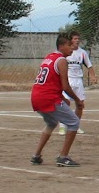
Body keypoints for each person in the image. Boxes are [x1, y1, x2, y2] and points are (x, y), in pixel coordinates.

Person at [31, 32, 83, 167]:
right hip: (48, 97)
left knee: (51, 123)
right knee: (74, 122)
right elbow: (65, 86)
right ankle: (63, 157)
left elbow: (51, 80)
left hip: (37, 96)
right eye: (69, 45)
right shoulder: (62, 61)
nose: (72, 48)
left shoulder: (49, 57)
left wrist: (61, 98)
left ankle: (36, 156)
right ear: (61, 47)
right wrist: (77, 100)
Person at [66, 31, 95, 122]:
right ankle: (63, 125)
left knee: (80, 104)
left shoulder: (82, 52)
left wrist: (93, 76)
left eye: (78, 39)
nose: (77, 40)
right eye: (75, 39)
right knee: (65, 103)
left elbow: (89, 65)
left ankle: (75, 124)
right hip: (68, 80)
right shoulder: (66, 51)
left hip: (78, 80)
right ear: (70, 40)